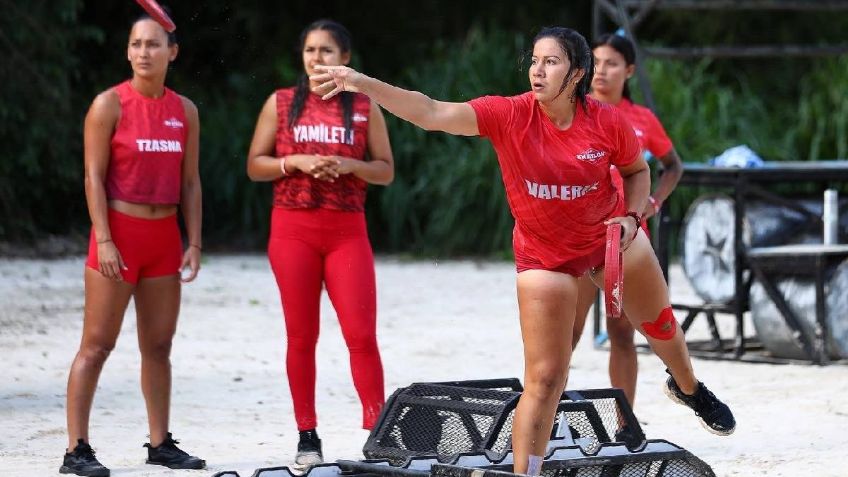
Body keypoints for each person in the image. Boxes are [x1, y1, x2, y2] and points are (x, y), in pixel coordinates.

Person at [309, 26, 734, 475]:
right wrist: (362, 82)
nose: (537, 70)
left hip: (609, 240)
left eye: (550, 62)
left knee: (661, 325)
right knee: (546, 378)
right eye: (534, 60)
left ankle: (688, 387)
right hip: (544, 257)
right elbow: (431, 111)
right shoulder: (509, 114)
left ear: (576, 74)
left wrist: (631, 217)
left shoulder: (608, 122)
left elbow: (636, 171)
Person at [61, 12, 205, 477]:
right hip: (118, 235)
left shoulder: (185, 111)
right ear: (127, 51)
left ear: (172, 52)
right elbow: (93, 177)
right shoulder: (109, 105)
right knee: (97, 345)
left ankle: (160, 443)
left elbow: (190, 183)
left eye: (154, 44)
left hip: (165, 238)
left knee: (159, 346)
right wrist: (103, 238)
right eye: (137, 44)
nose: (144, 52)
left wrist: (194, 241)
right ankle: (76, 450)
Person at [246, 19, 394, 469]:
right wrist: (297, 162)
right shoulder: (282, 102)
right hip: (293, 230)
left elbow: (385, 169)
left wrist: (351, 165)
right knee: (301, 336)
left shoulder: (365, 106)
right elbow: (256, 165)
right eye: (310, 50)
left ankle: (377, 431)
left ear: (345, 59)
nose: (317, 59)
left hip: (346, 230)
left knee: (361, 335)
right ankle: (307, 434)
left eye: (327, 51)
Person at [570, 32, 684, 408]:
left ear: (629, 70)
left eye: (612, 63)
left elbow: (672, 166)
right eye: (596, 62)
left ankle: (625, 423)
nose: (601, 71)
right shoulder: (573, 110)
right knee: (565, 333)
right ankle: (546, 417)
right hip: (577, 235)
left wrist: (652, 202)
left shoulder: (641, 119)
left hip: (625, 239)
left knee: (622, 334)